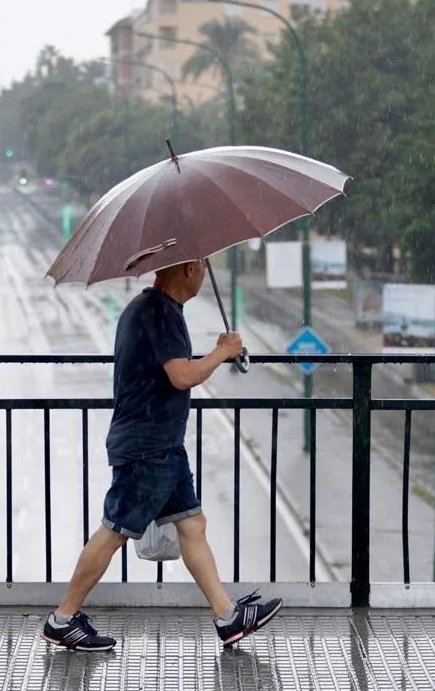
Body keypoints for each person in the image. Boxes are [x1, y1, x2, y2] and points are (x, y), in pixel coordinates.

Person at [42, 259, 282, 652]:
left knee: (192, 525)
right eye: (204, 265)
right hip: (147, 447)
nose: (206, 272)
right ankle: (62, 619)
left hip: (163, 445)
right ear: (189, 269)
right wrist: (223, 351)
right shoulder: (160, 312)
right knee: (114, 530)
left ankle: (228, 619)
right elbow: (182, 376)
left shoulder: (150, 309)